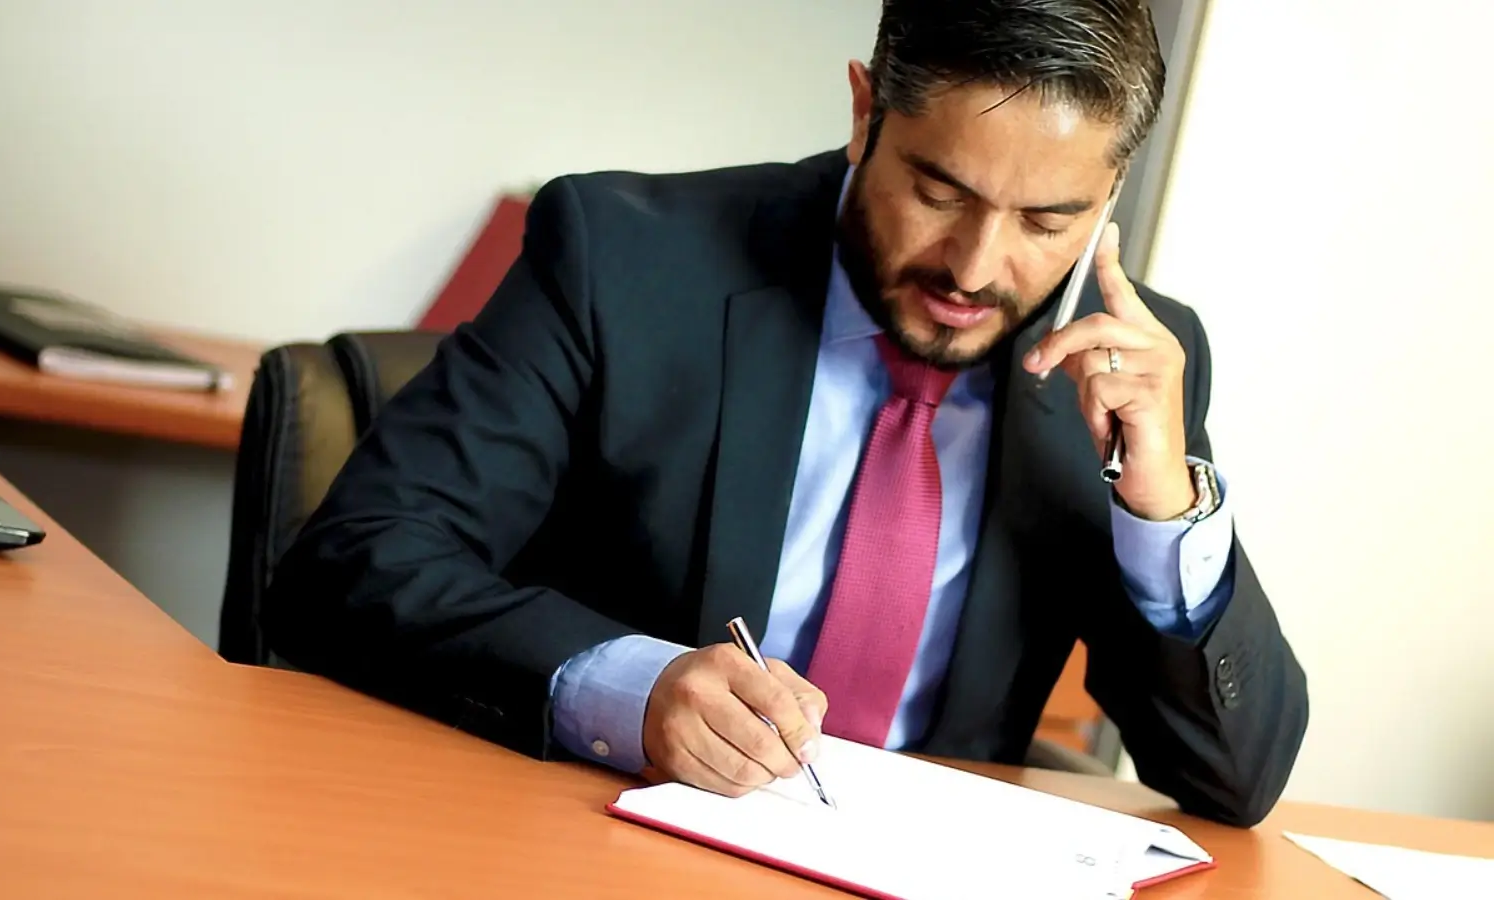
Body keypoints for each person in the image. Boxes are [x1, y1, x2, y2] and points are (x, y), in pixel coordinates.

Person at [262, 0, 1307, 828]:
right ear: (864, 113)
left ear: (1111, 188)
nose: (976, 269)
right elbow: (353, 562)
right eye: (939, 191)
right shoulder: (621, 259)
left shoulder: (1136, 365)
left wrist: (1164, 512)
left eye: (1047, 219)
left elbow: (1234, 782)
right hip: (582, 837)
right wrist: (632, 687)